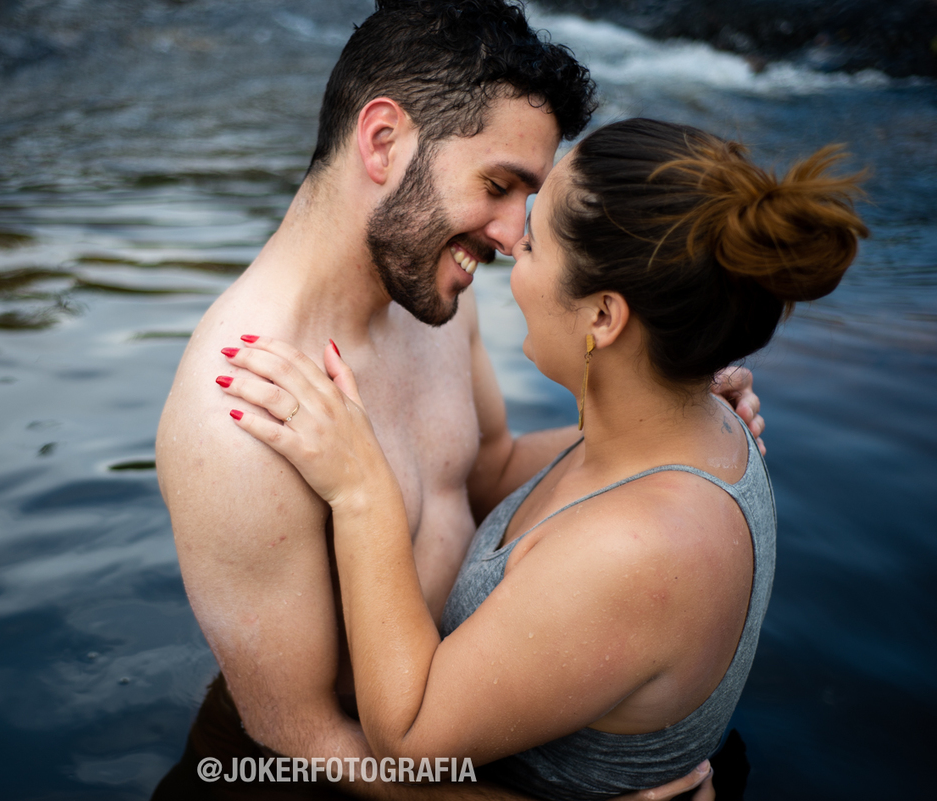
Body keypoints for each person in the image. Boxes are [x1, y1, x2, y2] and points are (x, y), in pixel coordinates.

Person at [156, 2, 760, 796]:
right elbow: (296, 732)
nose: (515, 236)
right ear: (383, 142)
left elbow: (488, 468)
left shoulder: (433, 291)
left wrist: (671, 413)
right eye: (499, 185)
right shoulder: (238, 408)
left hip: (479, 711)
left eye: (530, 198)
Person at [218, 118, 868, 799]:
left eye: (531, 244)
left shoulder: (637, 549)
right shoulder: (684, 429)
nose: (508, 256)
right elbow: (497, 471)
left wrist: (360, 491)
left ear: (603, 317)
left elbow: (407, 739)